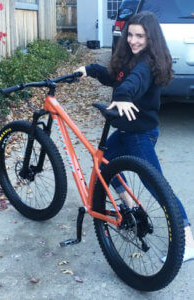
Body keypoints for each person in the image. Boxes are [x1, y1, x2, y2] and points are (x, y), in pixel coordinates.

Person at [75, 11, 194, 262]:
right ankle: (128, 204)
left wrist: (123, 96)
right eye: (130, 34)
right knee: (103, 164)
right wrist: (90, 69)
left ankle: (187, 239)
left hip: (140, 135)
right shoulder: (131, 58)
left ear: (151, 38)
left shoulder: (148, 63)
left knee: (157, 185)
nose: (133, 40)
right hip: (126, 132)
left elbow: (133, 83)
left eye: (140, 36)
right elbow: (114, 77)